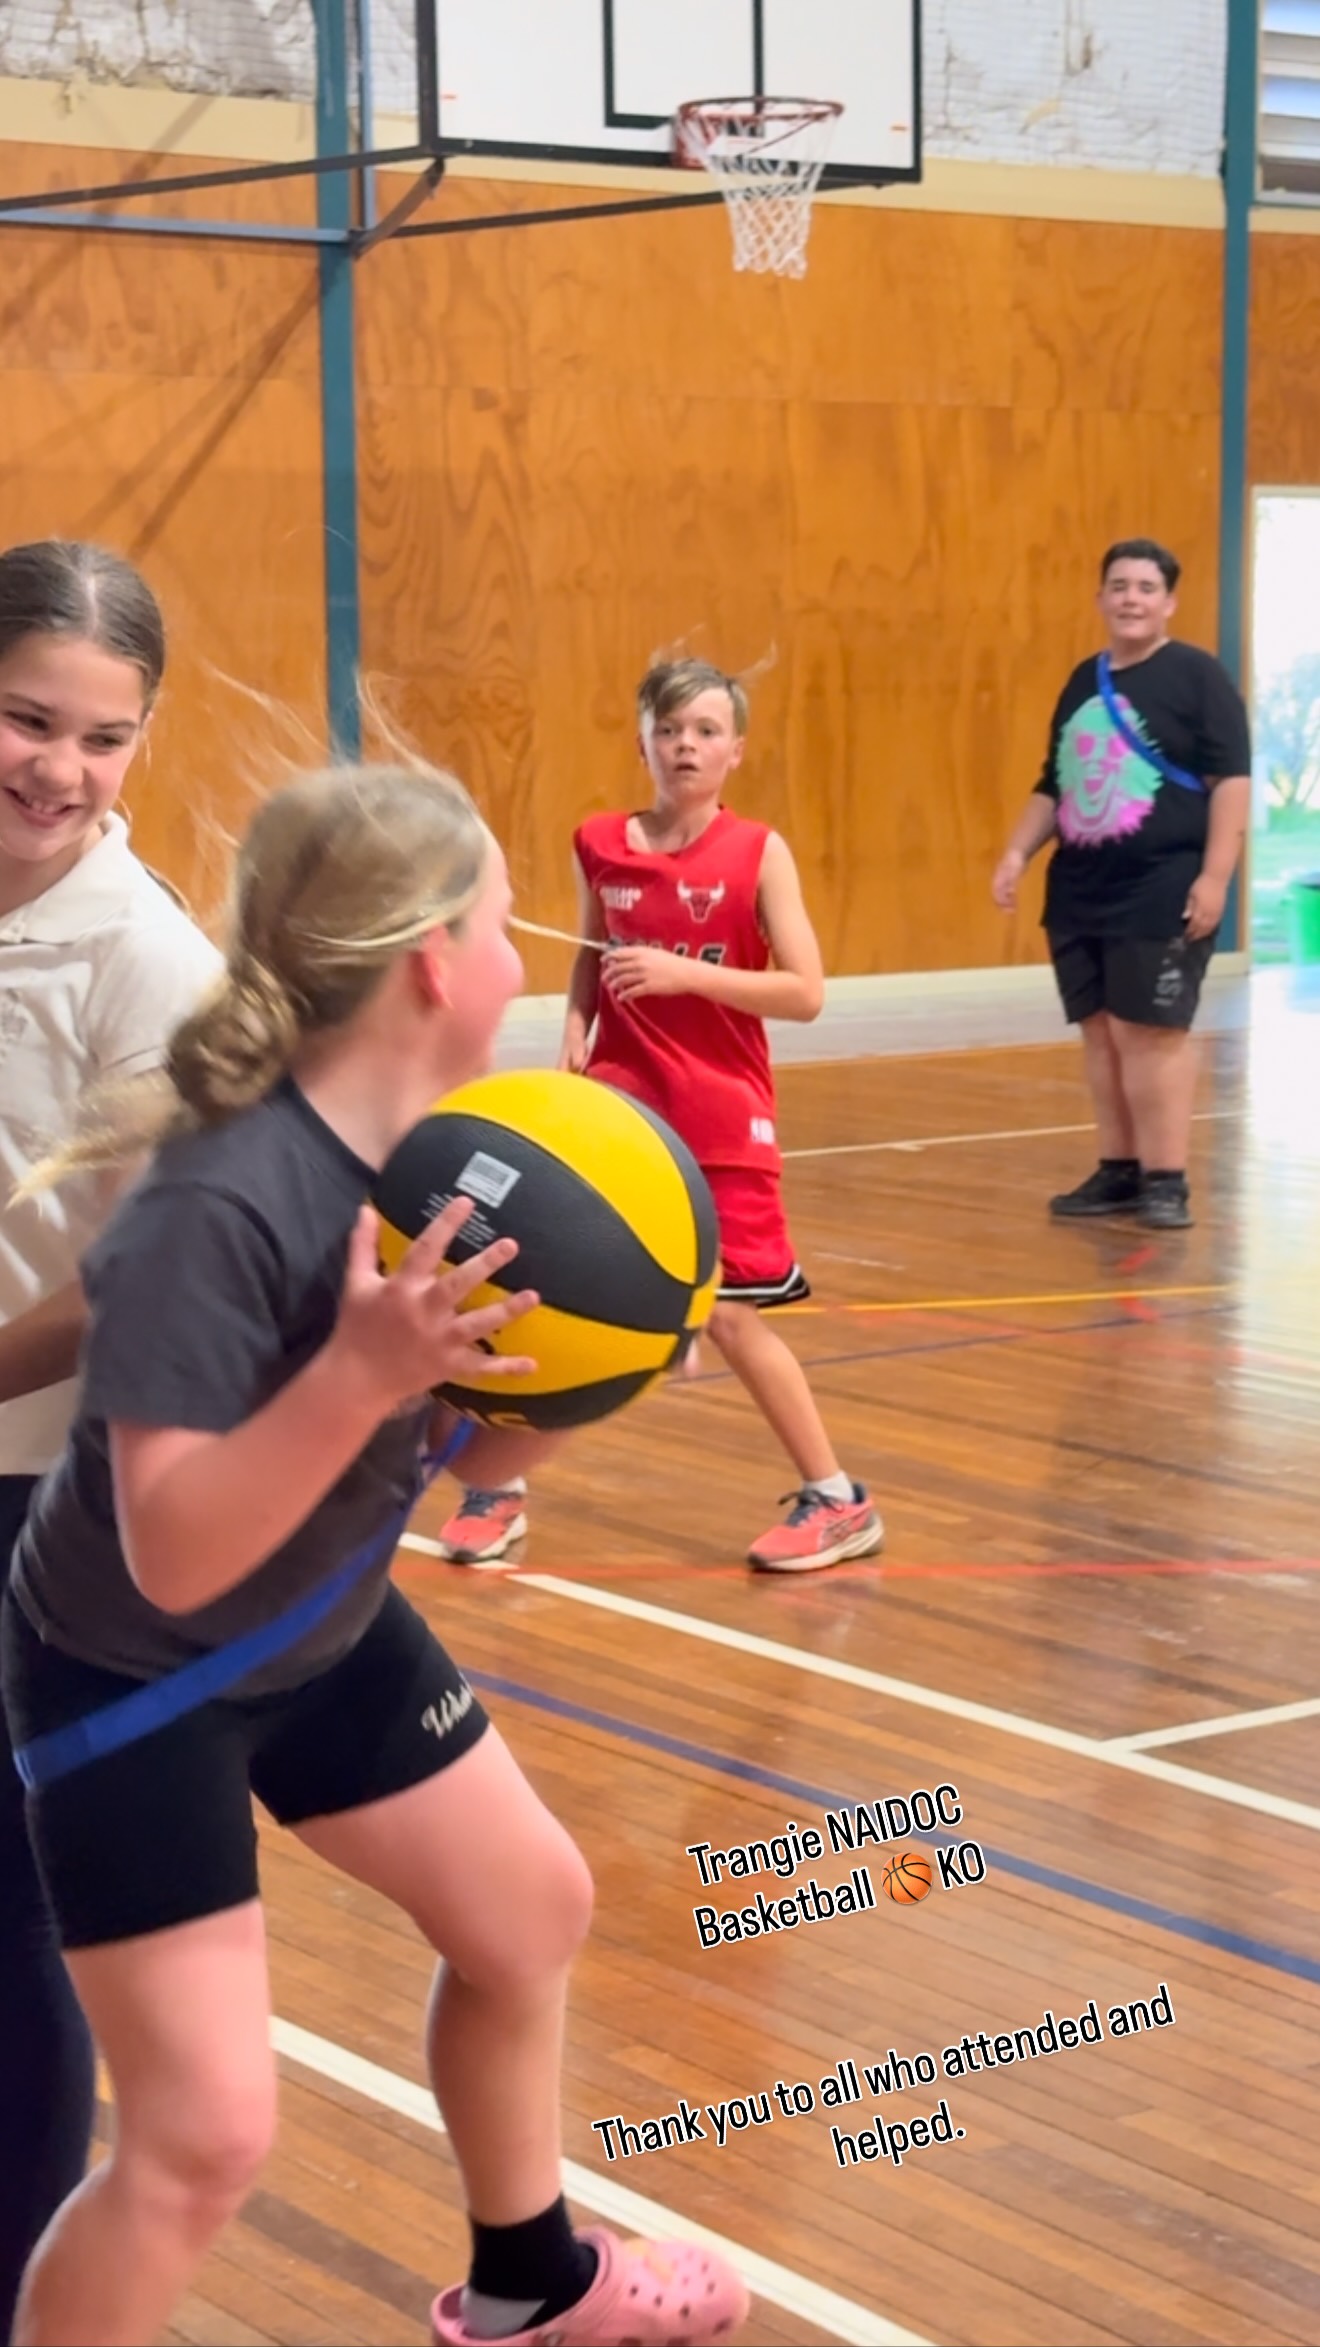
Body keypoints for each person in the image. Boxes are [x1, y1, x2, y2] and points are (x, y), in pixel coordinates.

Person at [1, 759, 750, 2347]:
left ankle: (532, 2280)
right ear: (430, 959)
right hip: (137, 1678)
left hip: (321, 1625)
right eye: (503, 921)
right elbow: (176, 1546)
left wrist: (581, 1379)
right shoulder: (213, 1200)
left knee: (529, 1908)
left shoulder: (447, 1154)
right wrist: (365, 1367)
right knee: (204, 2138)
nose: (520, 950)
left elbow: (456, 1453)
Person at [436, 657, 883, 1573]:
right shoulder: (601, 840)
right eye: (670, 728)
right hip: (618, 1112)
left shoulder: (759, 851)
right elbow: (592, 953)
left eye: (706, 730)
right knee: (532, 1284)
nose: (686, 745)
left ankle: (838, 1499)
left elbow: (805, 992)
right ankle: (496, 1487)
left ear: (736, 750)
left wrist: (685, 975)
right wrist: (573, 1028)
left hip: (723, 1114)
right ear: (643, 738)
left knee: (728, 1318)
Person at [0, 538, 221, 2342]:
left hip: (37, 1496)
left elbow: (143, 1282)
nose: (57, 767)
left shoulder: (150, 961)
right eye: (23, 716)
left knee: (12, 1931)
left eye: (103, 736)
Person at [991, 538, 1251, 1230]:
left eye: (1145, 587)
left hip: (1161, 884)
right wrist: (1018, 851)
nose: (1131, 598)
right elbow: (1056, 782)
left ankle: (1167, 1178)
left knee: (1152, 1032)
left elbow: (1231, 781)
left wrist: (1216, 876)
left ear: (1169, 601)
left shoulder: (1198, 677)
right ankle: (1120, 1170)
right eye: (1119, 586)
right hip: (1081, 887)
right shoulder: (1085, 678)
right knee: (1102, 1032)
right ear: (1102, 597)